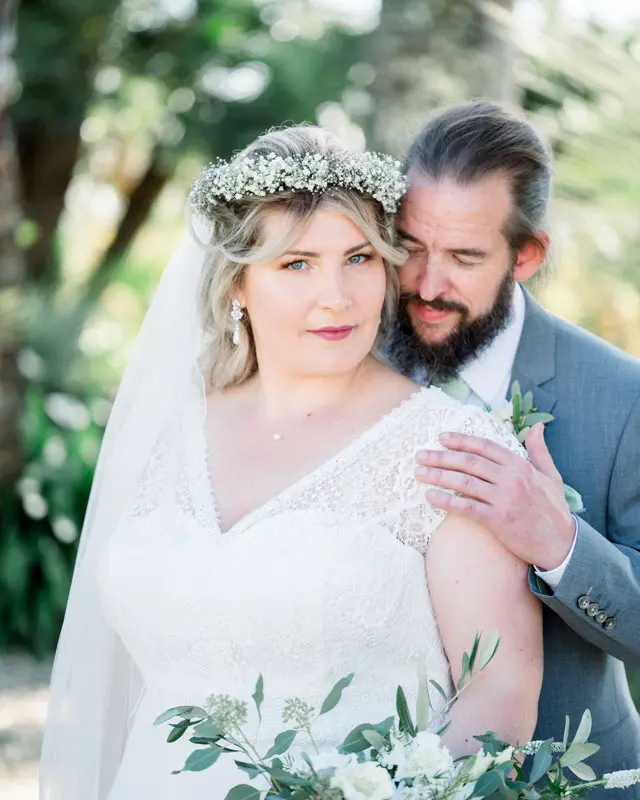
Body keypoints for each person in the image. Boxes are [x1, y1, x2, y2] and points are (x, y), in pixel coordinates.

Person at [40, 125, 541, 799]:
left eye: (359, 259)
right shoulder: (164, 432)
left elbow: (498, 697)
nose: (336, 295)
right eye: (296, 264)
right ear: (237, 285)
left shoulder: (451, 448)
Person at [387, 100, 640, 795]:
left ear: (526, 255)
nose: (428, 286)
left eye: (465, 257)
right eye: (411, 246)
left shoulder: (622, 398)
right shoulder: (350, 360)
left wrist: (560, 543)